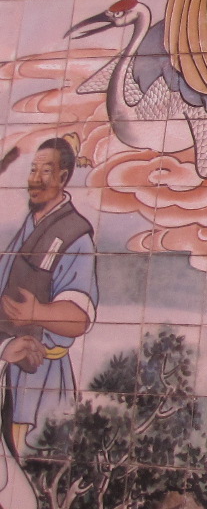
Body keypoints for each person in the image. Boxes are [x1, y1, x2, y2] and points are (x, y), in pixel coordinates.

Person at [0, 138, 97, 464]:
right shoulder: (28, 225)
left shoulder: (75, 235)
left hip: (40, 371)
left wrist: (36, 312)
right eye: (33, 170)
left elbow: (80, 317)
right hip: (6, 360)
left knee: (33, 466)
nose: (35, 179)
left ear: (63, 177)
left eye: (45, 171)